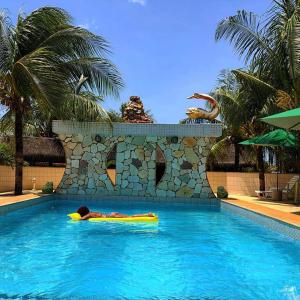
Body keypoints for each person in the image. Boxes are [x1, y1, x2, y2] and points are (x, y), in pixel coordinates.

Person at [77, 206, 154, 220]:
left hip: (112, 216)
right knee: (130, 216)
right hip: (111, 214)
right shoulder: (92, 212)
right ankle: (147, 214)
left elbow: (84, 217)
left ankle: (147, 214)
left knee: (131, 217)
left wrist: (79, 218)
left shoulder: (90, 214)